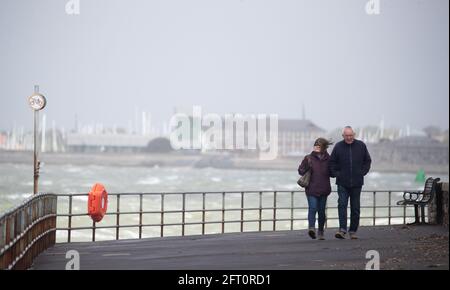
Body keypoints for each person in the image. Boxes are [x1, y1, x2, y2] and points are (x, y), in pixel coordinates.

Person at [329, 126, 372, 240]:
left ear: (354, 134)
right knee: (342, 205)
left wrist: (362, 172)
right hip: (342, 182)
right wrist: (337, 174)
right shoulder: (338, 146)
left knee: (355, 208)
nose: (349, 137)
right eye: (346, 135)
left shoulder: (361, 145)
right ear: (343, 136)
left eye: (350, 135)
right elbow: (332, 162)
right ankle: (342, 230)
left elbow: (367, 160)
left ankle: (353, 231)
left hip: (357, 182)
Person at [298, 138, 333, 240]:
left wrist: (336, 170)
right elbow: (300, 171)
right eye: (315, 145)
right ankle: (312, 228)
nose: (316, 147)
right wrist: (305, 167)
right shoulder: (308, 158)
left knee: (321, 211)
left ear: (324, 147)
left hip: (324, 189)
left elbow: (333, 174)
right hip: (311, 189)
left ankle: (321, 231)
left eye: (319, 146)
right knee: (313, 208)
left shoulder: (329, 159)